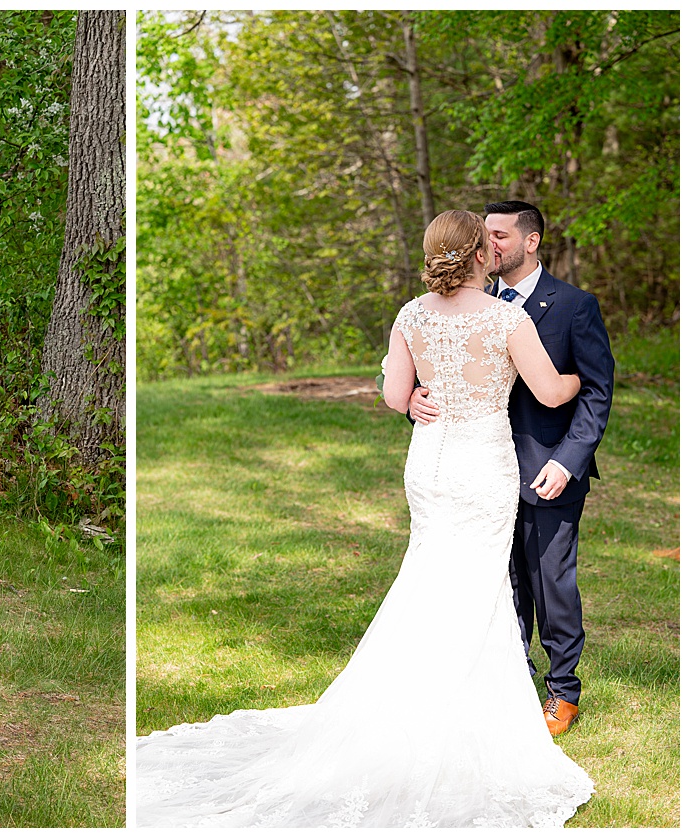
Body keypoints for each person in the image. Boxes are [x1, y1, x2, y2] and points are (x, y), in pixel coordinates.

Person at [132, 210, 594, 827]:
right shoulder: (508, 318)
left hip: (430, 464)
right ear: (480, 256)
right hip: (482, 465)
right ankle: (466, 717)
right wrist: (576, 376)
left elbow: (392, 395)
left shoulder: (412, 315)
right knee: (478, 586)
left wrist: (421, 397)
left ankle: (408, 703)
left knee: (429, 576)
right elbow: (549, 393)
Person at [407, 201, 613, 736]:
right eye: (486, 236)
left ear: (531, 241)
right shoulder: (465, 304)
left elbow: (595, 392)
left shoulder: (574, 306)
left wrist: (568, 463)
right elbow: (427, 375)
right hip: (483, 470)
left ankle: (562, 691)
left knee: (551, 582)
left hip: (549, 471)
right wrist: (412, 400)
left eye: (500, 234)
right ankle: (508, 681)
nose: (491, 243)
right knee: (499, 581)